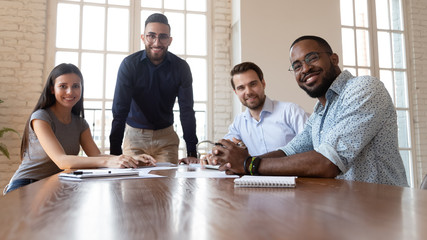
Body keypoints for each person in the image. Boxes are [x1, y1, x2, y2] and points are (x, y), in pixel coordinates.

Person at [211, 35, 408, 187]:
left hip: (382, 210)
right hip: (345, 208)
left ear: (334, 59)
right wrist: (237, 163)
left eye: (311, 58)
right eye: (297, 66)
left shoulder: (363, 88)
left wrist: (249, 165)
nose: (305, 69)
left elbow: (328, 162)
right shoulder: (321, 109)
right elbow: (290, 151)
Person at [4, 63, 156, 194]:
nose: (70, 92)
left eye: (75, 86)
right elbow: (62, 161)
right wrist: (108, 162)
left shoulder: (80, 124)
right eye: (63, 86)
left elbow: (95, 155)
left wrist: (130, 159)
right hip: (27, 184)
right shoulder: (41, 118)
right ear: (52, 89)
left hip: (54, 184)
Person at [110, 13, 198, 164]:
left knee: (166, 186)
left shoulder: (181, 67)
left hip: (166, 139)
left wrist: (192, 152)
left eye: (163, 37)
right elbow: (119, 111)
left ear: (170, 40)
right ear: (143, 37)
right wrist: (115, 154)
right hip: (135, 139)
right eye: (151, 36)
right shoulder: (129, 65)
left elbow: (187, 110)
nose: (157, 42)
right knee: (132, 186)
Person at [219, 61, 308, 156]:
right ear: (236, 92)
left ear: (263, 83)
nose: (248, 92)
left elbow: (311, 147)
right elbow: (224, 148)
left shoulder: (291, 111)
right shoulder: (239, 122)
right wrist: (213, 155)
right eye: (241, 88)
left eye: (253, 84)